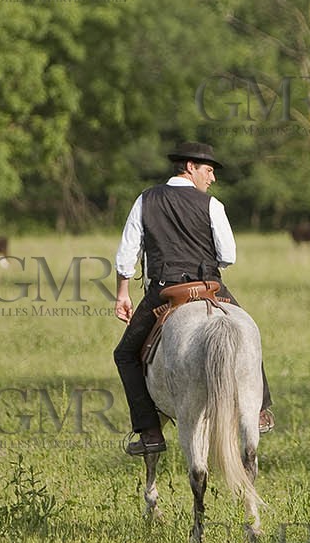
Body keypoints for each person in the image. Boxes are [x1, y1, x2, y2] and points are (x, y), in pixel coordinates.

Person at [112, 141, 274, 456]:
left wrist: (122, 293)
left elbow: (126, 255)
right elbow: (228, 256)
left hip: (164, 291)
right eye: (208, 170)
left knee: (125, 355)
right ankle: (260, 410)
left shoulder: (145, 200)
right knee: (248, 333)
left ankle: (149, 433)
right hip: (210, 287)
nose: (211, 178)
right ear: (190, 167)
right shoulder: (212, 205)